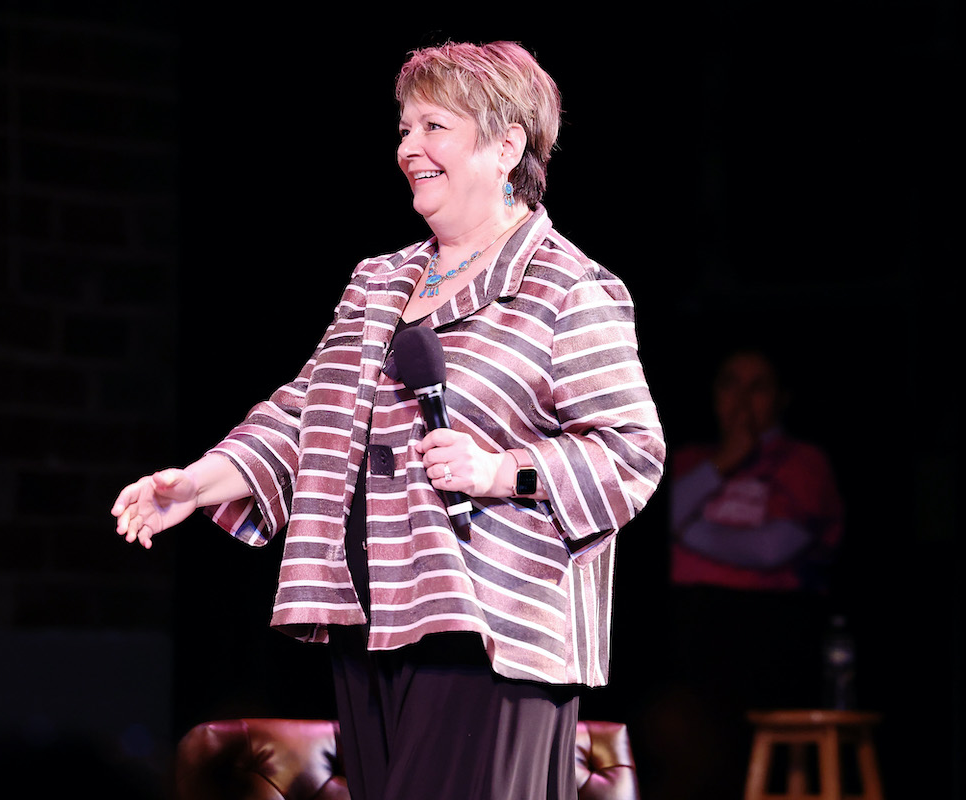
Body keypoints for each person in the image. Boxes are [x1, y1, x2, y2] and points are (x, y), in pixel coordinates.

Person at [111, 41, 665, 800]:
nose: (409, 149)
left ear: (507, 145)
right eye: (404, 129)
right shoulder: (378, 281)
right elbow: (308, 411)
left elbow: (631, 453)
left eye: (434, 127)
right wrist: (200, 483)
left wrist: (501, 470)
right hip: (372, 621)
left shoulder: (569, 288)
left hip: (491, 633)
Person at [645, 347, 844, 800]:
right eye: (730, 383)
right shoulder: (692, 460)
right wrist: (722, 465)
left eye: (758, 387)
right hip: (689, 637)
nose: (742, 399)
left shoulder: (802, 462)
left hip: (772, 635)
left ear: (781, 398)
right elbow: (654, 521)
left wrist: (686, 534)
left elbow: (771, 548)